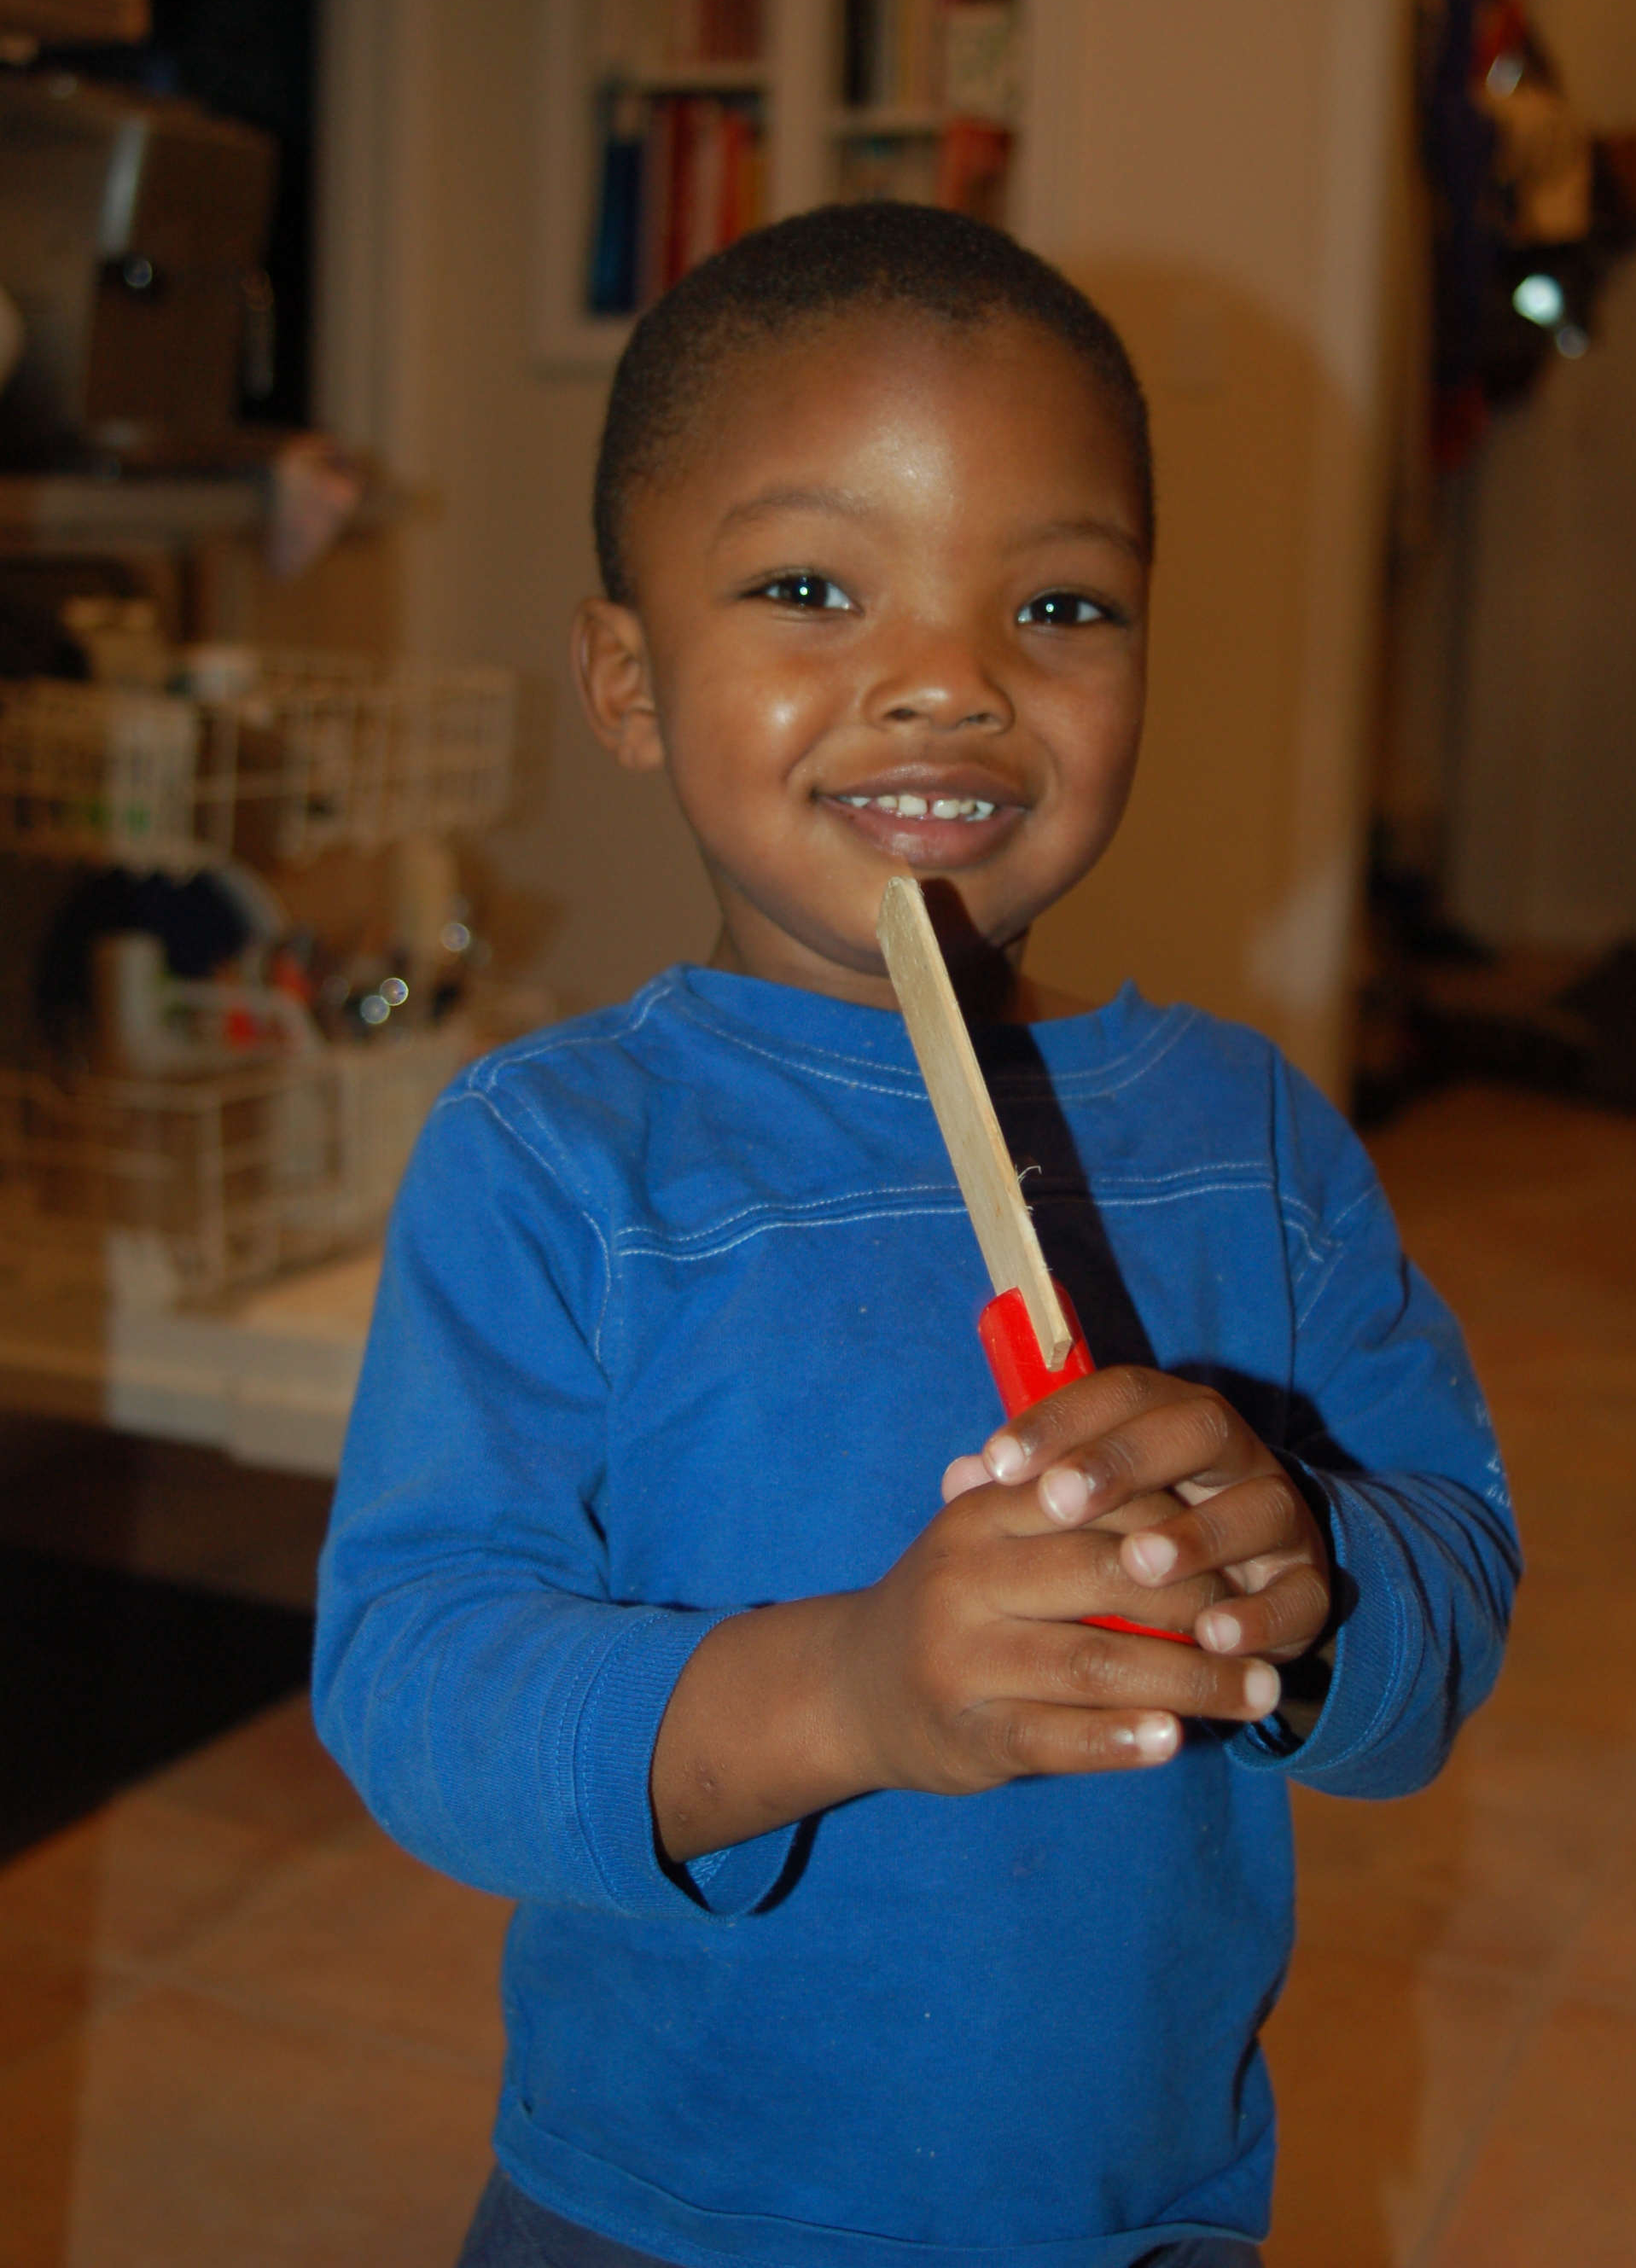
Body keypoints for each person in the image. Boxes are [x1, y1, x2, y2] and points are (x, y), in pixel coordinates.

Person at [313, 203, 1518, 2268]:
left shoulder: (1252, 1141)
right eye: (810, 587)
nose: (951, 682)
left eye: (1058, 603)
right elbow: (417, 1684)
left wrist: (1308, 1584)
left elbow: (1450, 1593)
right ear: (627, 678)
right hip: (663, 2215)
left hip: (1138, 2209)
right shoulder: (554, 1161)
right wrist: (849, 1696)